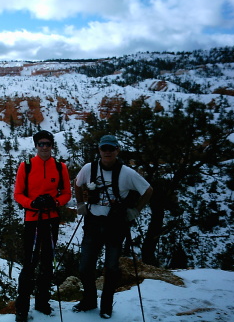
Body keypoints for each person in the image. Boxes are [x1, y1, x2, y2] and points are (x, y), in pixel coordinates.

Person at [73, 134, 153, 319]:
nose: (107, 152)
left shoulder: (127, 172)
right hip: (93, 222)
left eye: (111, 149)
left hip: (115, 225)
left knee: (111, 267)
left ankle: (106, 306)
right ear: (99, 150)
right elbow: (77, 184)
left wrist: (135, 210)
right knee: (85, 266)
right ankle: (89, 300)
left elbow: (148, 190)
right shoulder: (89, 168)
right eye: (104, 149)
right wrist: (80, 204)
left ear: (117, 150)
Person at [13, 130, 72, 322]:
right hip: (32, 219)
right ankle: (22, 308)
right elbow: (18, 194)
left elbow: (66, 194)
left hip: (51, 218)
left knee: (47, 261)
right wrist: (33, 203)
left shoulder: (60, 166)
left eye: (47, 144)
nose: (44, 147)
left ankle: (42, 302)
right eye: (41, 144)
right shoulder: (26, 166)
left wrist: (54, 203)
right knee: (29, 264)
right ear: (36, 145)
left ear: (52, 145)